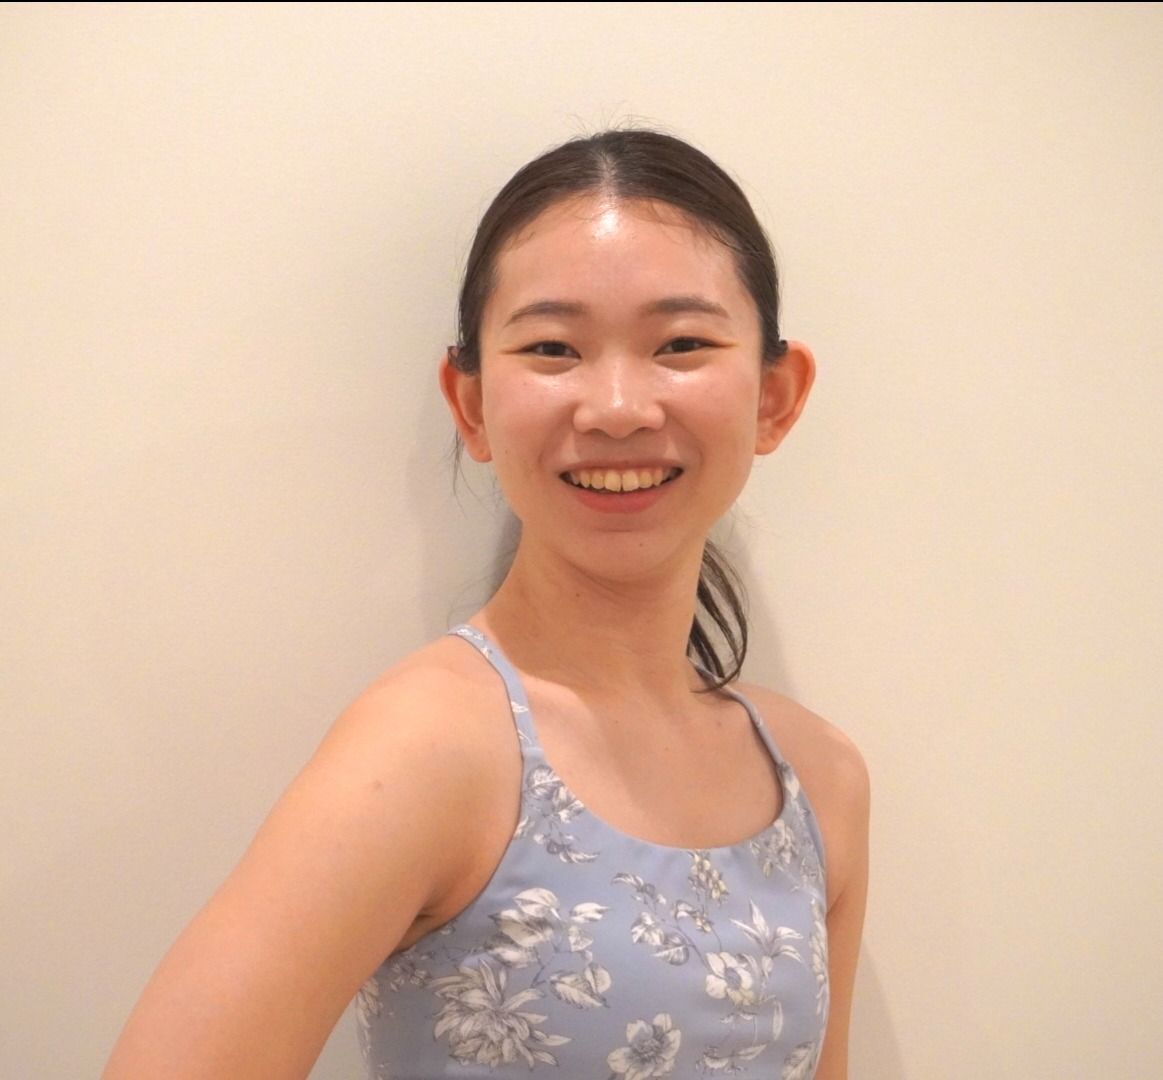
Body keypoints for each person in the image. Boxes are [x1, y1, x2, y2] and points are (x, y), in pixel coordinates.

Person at [103, 128, 869, 1080]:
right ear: (469, 404)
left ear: (774, 396)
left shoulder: (819, 779)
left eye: (681, 344)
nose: (617, 407)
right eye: (552, 348)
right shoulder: (429, 748)